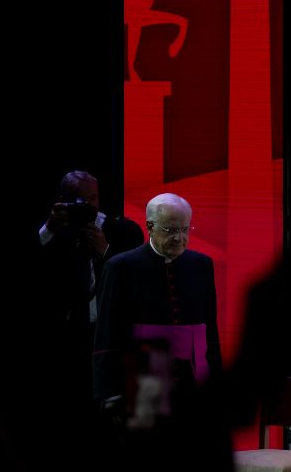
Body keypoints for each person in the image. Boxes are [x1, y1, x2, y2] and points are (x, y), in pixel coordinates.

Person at [93, 192, 220, 419]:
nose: (179, 238)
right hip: (142, 384)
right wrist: (109, 393)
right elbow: (107, 333)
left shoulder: (202, 265)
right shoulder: (120, 267)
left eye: (184, 229)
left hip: (193, 382)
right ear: (150, 226)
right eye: (170, 230)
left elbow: (210, 330)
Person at [35, 170, 144, 412]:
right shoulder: (53, 232)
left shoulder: (123, 231)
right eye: (80, 200)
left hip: (110, 333)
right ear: (63, 200)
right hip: (67, 334)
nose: (87, 205)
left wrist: (104, 250)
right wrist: (50, 229)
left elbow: (134, 283)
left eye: (93, 198)